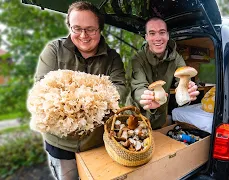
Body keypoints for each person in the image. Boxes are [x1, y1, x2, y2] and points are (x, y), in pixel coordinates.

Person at [34, 1, 126, 180]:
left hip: (96, 142)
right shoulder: (54, 50)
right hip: (60, 143)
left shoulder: (112, 58)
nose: (83, 35)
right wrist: (94, 97)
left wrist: (79, 97)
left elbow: (120, 88)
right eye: (77, 28)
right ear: (69, 26)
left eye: (90, 29)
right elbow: (42, 90)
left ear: (100, 29)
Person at [130, 17, 199, 130]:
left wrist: (188, 90)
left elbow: (183, 81)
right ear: (146, 37)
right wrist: (146, 97)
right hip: (137, 116)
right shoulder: (137, 59)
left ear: (167, 35)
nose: (158, 38)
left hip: (160, 116)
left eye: (162, 32)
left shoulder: (177, 58)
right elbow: (138, 86)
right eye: (152, 33)